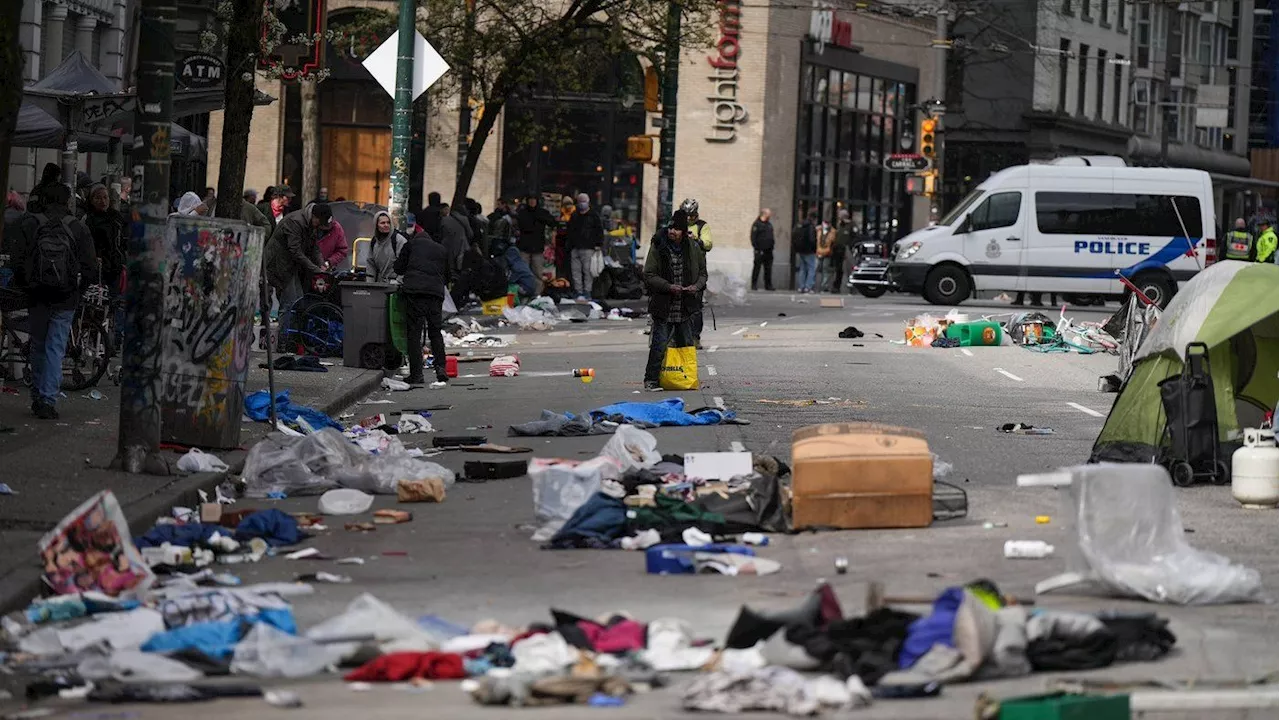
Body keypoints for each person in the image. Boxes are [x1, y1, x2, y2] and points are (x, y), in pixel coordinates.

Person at [12, 184, 97, 419]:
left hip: (37, 295)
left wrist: (27, 286)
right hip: (66, 297)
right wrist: (78, 290)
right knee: (55, 346)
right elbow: (90, 266)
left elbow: (17, 261)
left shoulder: (30, 223)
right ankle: (48, 399)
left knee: (38, 344)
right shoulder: (77, 227)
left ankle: (38, 396)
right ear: (67, 201)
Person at [642, 210, 706, 391]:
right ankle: (651, 380)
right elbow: (649, 274)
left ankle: (686, 378)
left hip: (685, 306)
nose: (672, 232)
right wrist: (668, 286)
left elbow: (703, 273)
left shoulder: (693, 248)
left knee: (686, 344)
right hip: (664, 304)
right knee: (659, 345)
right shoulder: (658, 245)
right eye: (670, 227)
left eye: (677, 229)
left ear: (684, 232)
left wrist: (696, 286)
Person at [264, 203, 331, 349]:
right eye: (320, 222)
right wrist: (315, 269)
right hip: (278, 265)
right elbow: (295, 251)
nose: (319, 227)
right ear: (314, 216)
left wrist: (322, 264)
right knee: (289, 303)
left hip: (290, 266)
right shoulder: (295, 222)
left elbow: (314, 248)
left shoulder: (310, 224)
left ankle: (292, 339)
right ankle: (283, 342)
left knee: (298, 300)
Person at [394, 227, 452, 386]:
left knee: (414, 334)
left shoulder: (410, 245)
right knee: (435, 332)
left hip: (415, 293)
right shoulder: (441, 249)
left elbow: (398, 268)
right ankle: (441, 368)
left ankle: (417, 374)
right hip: (435, 294)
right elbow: (448, 276)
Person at [680, 199, 712, 345]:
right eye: (686, 215)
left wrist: (697, 239)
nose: (688, 218)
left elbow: (708, 244)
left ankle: (695, 337)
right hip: (679, 268)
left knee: (695, 305)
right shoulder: (676, 225)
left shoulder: (702, 226)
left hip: (697, 271)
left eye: (691, 215)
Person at [83, 184, 127, 290]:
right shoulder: (88, 219)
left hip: (116, 266)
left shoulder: (116, 217)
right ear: (91, 200)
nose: (102, 201)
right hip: (97, 268)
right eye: (98, 198)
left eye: (105, 197)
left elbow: (123, 239)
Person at [566, 193, 604, 300]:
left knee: (588, 271)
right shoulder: (575, 215)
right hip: (576, 247)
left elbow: (599, 231)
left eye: (584, 201)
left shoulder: (593, 215)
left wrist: (598, 244)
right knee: (576, 271)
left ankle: (587, 291)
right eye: (580, 201)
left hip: (588, 248)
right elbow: (570, 231)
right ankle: (579, 291)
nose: (582, 204)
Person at [516, 195, 555, 295]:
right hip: (525, 246)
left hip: (537, 247)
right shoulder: (523, 213)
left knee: (538, 272)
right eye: (530, 200)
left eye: (534, 200)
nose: (532, 202)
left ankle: (537, 293)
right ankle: (523, 292)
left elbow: (553, 222)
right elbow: (520, 225)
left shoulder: (542, 213)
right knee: (523, 271)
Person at [366, 211, 409, 283]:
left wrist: (398, 281)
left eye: (388, 222)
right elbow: (371, 263)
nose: (386, 225)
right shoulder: (374, 242)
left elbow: (406, 262)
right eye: (382, 223)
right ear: (376, 225)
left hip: (395, 284)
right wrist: (370, 283)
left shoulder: (399, 240)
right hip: (380, 284)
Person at [793, 211, 818, 293]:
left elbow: (794, 235)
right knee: (812, 268)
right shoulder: (810, 226)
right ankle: (808, 286)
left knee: (802, 269)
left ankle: (801, 286)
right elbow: (812, 239)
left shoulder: (800, 224)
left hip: (801, 250)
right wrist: (814, 248)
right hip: (809, 250)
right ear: (814, 218)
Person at [751, 208, 776, 291]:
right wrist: (757, 249)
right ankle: (754, 284)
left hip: (768, 251)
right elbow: (753, 238)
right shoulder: (757, 224)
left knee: (768, 269)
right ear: (764, 214)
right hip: (760, 250)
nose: (770, 215)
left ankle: (768, 285)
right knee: (757, 268)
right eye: (769, 214)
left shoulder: (769, 224)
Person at [830, 210, 853, 294]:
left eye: (840, 216)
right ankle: (836, 287)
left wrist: (850, 247)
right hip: (837, 250)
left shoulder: (850, 225)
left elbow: (854, 237)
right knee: (838, 269)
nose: (839, 217)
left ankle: (851, 286)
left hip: (846, 249)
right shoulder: (839, 225)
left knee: (848, 268)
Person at [815, 215, 836, 293]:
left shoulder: (832, 231)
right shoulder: (818, 229)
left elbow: (833, 242)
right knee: (817, 269)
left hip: (827, 253)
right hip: (819, 252)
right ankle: (816, 286)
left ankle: (824, 286)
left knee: (825, 270)